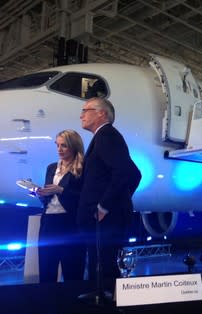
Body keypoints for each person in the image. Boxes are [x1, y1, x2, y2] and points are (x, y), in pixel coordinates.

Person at [78, 97, 141, 286]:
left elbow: (125, 173)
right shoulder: (103, 136)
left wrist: (105, 206)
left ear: (101, 114)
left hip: (105, 221)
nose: (81, 115)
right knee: (101, 264)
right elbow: (133, 174)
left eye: (86, 110)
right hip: (102, 221)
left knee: (105, 266)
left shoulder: (107, 136)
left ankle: (106, 301)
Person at [36, 129, 86, 283]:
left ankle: (72, 306)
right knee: (46, 271)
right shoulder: (52, 167)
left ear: (73, 146)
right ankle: (48, 305)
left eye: (64, 146)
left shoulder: (83, 168)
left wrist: (62, 190)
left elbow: (85, 198)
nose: (59, 149)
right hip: (48, 224)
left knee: (72, 272)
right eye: (57, 145)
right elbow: (50, 199)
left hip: (70, 224)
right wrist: (41, 194)